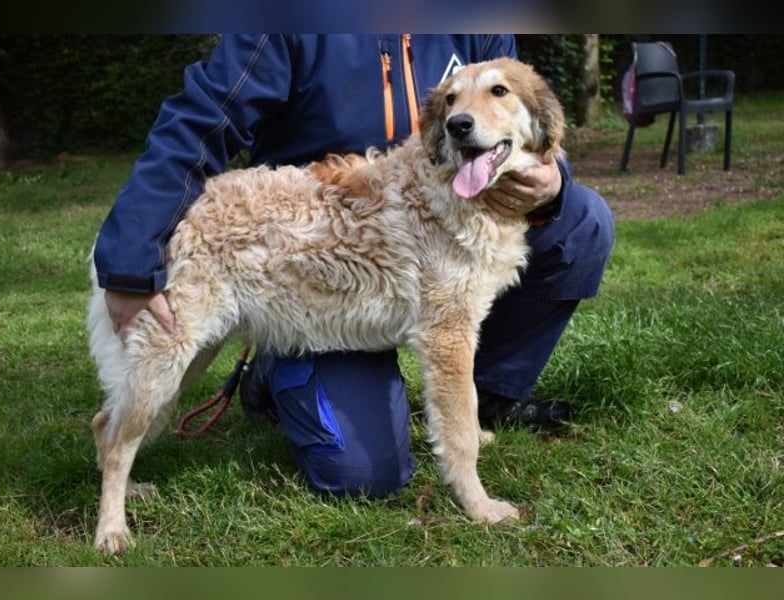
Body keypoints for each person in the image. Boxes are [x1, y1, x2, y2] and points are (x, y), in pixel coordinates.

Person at [94, 34, 614, 501]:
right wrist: (129, 260)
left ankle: (490, 398)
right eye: (454, 102)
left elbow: (531, 129)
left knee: (582, 219)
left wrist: (554, 183)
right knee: (365, 474)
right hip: (304, 264)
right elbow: (198, 121)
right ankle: (275, 366)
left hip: (449, 208)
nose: (465, 111)